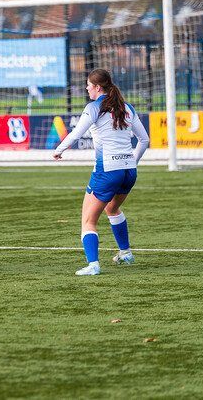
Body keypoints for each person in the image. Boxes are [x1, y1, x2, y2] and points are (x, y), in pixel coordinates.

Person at [53, 69, 149, 276]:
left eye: (88, 84)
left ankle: (93, 265)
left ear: (97, 87)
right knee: (112, 209)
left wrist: (59, 150)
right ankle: (126, 253)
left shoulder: (94, 107)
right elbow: (145, 140)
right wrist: (133, 161)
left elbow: (77, 133)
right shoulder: (127, 107)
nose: (87, 87)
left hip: (107, 170)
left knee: (88, 220)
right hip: (128, 171)